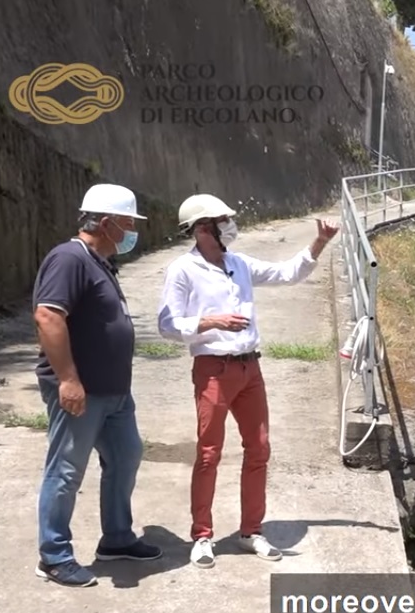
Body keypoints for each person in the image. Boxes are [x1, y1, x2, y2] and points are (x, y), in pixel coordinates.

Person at [156, 194, 340, 569]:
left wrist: (319, 243)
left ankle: (251, 531)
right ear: (202, 228)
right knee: (209, 453)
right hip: (213, 369)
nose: (231, 226)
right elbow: (166, 324)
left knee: (259, 448)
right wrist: (211, 322)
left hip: (249, 368)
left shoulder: (238, 263)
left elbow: (287, 274)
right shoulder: (183, 270)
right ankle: (202, 536)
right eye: (223, 221)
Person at [31, 184, 162, 587]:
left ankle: (117, 538)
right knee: (66, 470)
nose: (132, 231)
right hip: (82, 392)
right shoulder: (69, 259)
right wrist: (69, 380)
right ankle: (54, 556)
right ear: (106, 223)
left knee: (125, 457)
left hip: (115, 392)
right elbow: (48, 316)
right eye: (128, 223)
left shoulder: (100, 262)